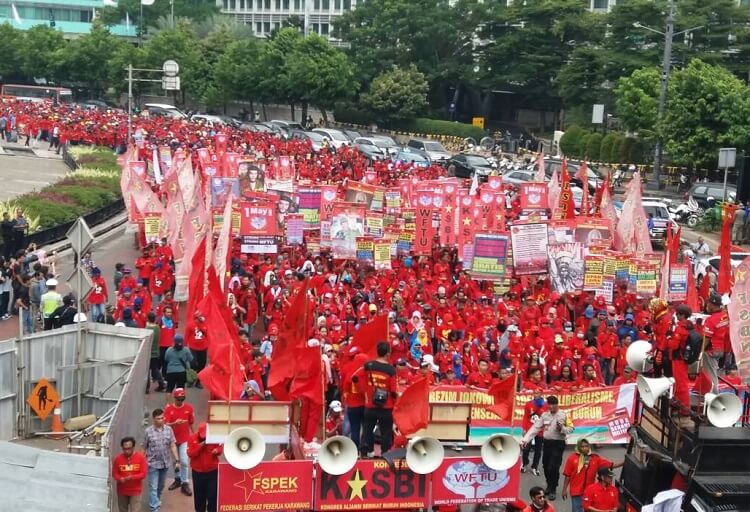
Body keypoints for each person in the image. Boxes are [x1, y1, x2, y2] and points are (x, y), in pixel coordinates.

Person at [521, 395, 573, 501]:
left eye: (553, 404)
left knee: (553, 467)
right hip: (547, 443)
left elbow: (571, 429)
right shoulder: (545, 415)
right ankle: (549, 485)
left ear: (557, 404)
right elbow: (535, 428)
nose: (551, 407)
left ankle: (553, 489)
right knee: (545, 466)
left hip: (558, 443)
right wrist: (525, 440)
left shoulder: (564, 416)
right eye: (549, 404)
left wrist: (562, 428)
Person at [360, 341, 398, 457]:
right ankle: (385, 454)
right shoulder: (391, 370)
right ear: (387, 354)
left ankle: (365, 452)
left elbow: (358, 379)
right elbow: (393, 390)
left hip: (370, 405)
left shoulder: (368, 366)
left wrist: (366, 393)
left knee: (367, 429)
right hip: (386, 407)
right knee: (386, 432)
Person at [561, 438, 620, 512]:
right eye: (582, 446)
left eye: (586, 446)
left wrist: (624, 463)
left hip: (589, 491)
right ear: (578, 447)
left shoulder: (595, 458)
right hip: (576, 491)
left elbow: (610, 465)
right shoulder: (572, 459)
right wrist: (564, 489)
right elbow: (567, 475)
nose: (585, 448)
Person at [143, 409, 180, 512]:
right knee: (153, 488)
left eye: (162, 418)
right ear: (153, 419)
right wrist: (142, 461)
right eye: (158, 418)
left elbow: (172, 445)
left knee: (160, 486)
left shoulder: (169, 430)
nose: (161, 420)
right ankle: (154, 508)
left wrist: (177, 460)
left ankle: (156, 502)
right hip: (152, 464)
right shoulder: (148, 432)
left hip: (165, 463)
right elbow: (144, 447)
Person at [164, 388, 194, 496]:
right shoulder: (168, 409)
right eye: (178, 399)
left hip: (184, 438)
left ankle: (185, 482)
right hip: (172, 440)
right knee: (175, 461)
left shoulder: (189, 408)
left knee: (184, 461)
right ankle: (177, 479)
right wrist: (174, 423)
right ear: (174, 398)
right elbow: (165, 425)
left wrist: (195, 436)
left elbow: (191, 422)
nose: (180, 401)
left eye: (182, 399)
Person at [187, 422, 222, 512]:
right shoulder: (192, 438)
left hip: (212, 472)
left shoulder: (214, 437)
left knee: (212, 496)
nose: (205, 438)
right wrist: (201, 445)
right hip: (198, 473)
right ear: (199, 432)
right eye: (203, 436)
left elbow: (220, 448)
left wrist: (217, 450)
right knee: (199, 497)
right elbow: (190, 454)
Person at [112, 436, 148, 512]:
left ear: (133, 447)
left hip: (135, 491)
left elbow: (143, 474)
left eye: (129, 448)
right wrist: (120, 478)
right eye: (124, 449)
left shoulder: (141, 458)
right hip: (122, 491)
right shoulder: (118, 459)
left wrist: (131, 477)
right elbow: (114, 474)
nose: (127, 451)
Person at [521, 390, 547, 476]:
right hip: (530, 429)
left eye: (538, 393)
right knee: (526, 448)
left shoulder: (546, 405)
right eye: (535, 393)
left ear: (541, 394)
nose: (536, 395)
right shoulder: (528, 404)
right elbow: (525, 417)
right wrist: (524, 429)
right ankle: (524, 464)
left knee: (538, 450)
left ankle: (534, 467)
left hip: (540, 430)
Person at [146, 312, 166, 393]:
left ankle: (147, 388)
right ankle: (161, 383)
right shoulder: (157, 328)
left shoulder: (147, 328)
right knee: (155, 369)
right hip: (156, 352)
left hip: (148, 352)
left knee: (146, 371)